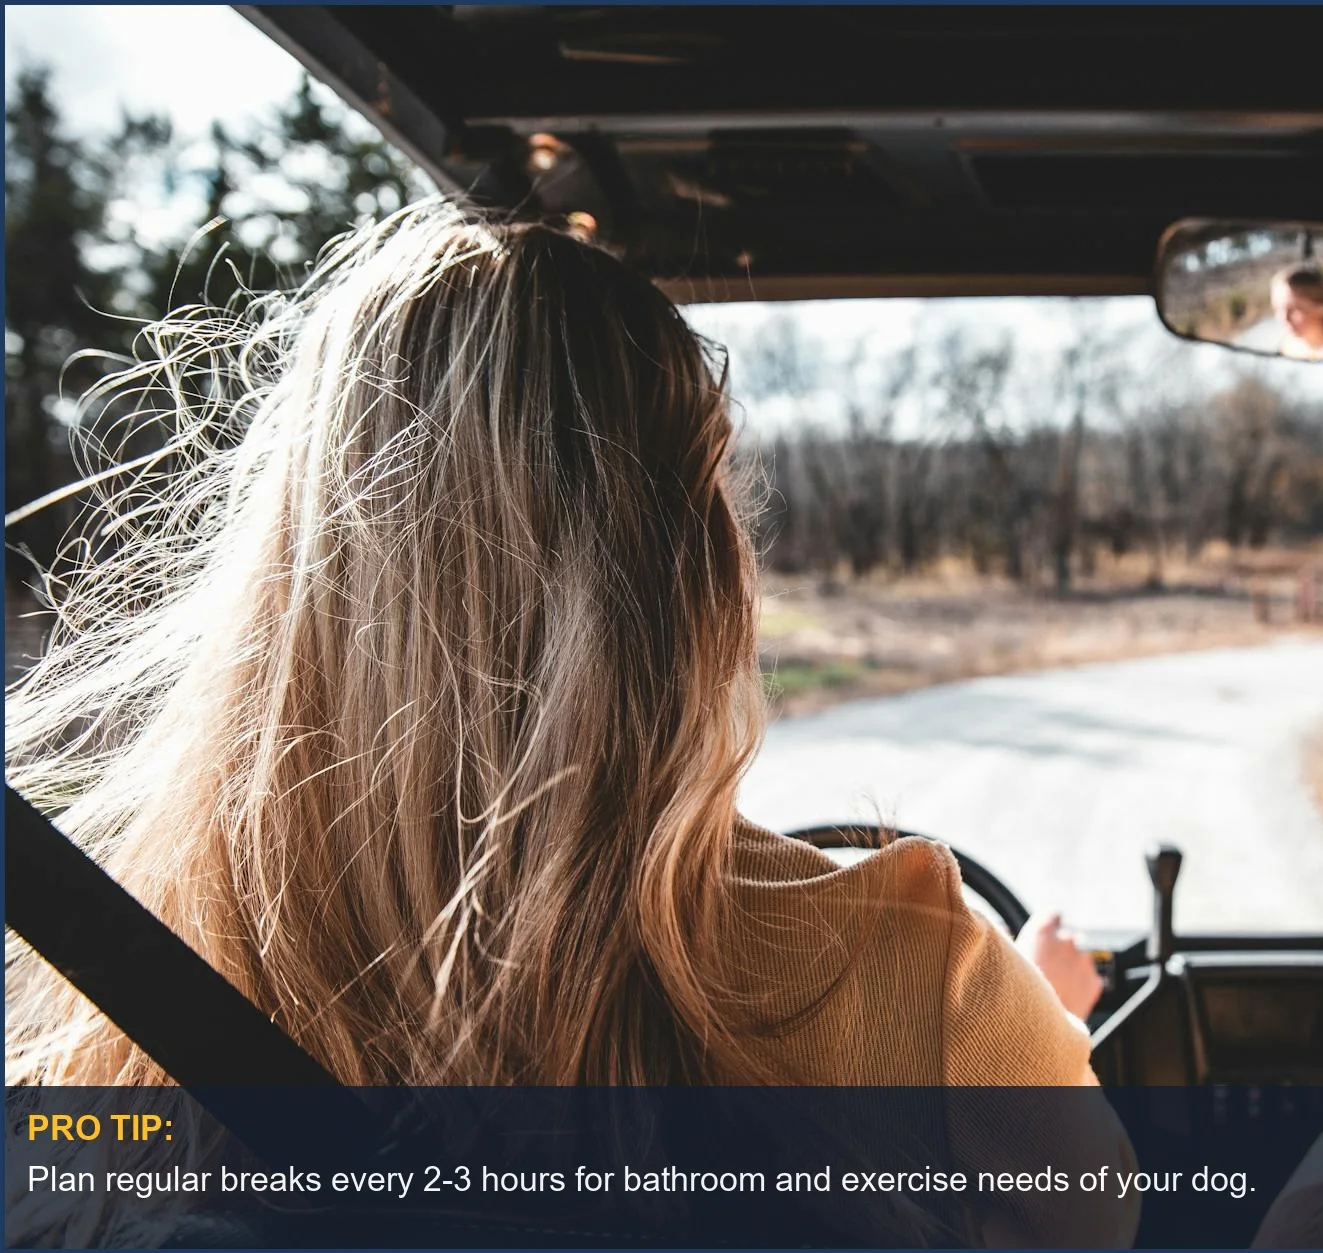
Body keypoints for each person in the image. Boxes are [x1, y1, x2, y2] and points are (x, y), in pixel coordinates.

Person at [5, 200, 1134, 1243]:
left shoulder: (131, 1006)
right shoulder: (913, 971)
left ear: (299, 582)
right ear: (696, 574)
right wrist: (1044, 1017)